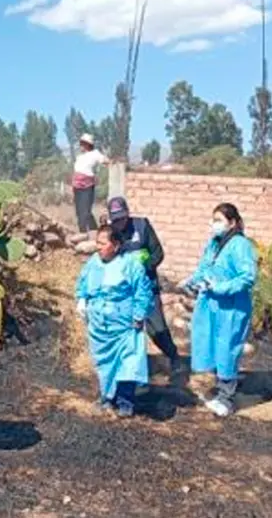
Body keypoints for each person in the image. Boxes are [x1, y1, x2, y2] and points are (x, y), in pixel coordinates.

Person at [179, 203, 257, 417]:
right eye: (213, 219)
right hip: (211, 305)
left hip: (231, 307)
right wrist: (192, 281)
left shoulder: (240, 245)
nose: (213, 224)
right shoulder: (214, 243)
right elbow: (205, 268)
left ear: (232, 222)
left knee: (227, 350)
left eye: (218, 220)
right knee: (210, 345)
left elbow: (247, 277)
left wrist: (220, 287)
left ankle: (227, 398)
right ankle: (219, 389)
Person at [75, 224, 153, 417]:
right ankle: (107, 398)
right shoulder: (93, 262)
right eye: (97, 243)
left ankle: (125, 402)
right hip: (99, 326)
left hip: (124, 324)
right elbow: (83, 283)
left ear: (116, 245)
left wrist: (138, 315)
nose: (98, 247)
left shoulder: (131, 264)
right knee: (105, 363)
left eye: (103, 243)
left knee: (127, 363)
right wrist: (82, 300)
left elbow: (142, 291)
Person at [106, 197, 184, 377]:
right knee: (127, 330)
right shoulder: (110, 234)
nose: (121, 222)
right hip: (124, 291)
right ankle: (131, 369)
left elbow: (158, 253)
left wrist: (144, 265)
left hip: (147, 286)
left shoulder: (142, 226)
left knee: (156, 327)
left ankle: (173, 357)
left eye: (123, 218)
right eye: (116, 219)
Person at [72, 133, 110, 233]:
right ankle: (84, 232)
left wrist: (113, 164)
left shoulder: (95, 154)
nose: (81, 146)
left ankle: (92, 232)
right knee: (79, 212)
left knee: (86, 212)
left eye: (83, 144)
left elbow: (106, 161)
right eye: (80, 143)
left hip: (87, 186)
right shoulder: (80, 157)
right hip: (77, 186)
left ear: (88, 145)